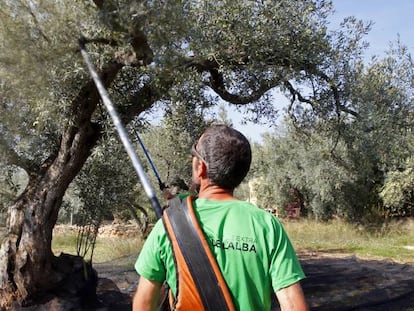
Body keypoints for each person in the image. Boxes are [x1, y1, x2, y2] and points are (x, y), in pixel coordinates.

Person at [132, 124, 308, 311]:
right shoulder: (267, 225)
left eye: (194, 153)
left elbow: (143, 303)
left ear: (200, 167)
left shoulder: (168, 226)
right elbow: (294, 306)